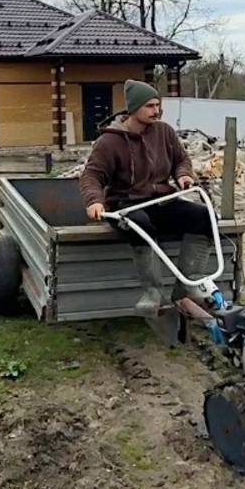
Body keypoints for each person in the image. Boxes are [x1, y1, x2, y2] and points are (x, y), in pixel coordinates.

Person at [80, 79, 222, 337]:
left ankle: (187, 286)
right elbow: (92, 176)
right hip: (126, 204)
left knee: (203, 217)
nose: (156, 111)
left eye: (158, 105)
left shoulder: (164, 132)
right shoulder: (110, 142)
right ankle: (153, 292)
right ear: (133, 108)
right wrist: (95, 201)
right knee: (140, 223)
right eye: (150, 106)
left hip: (161, 201)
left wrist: (183, 175)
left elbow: (181, 159)